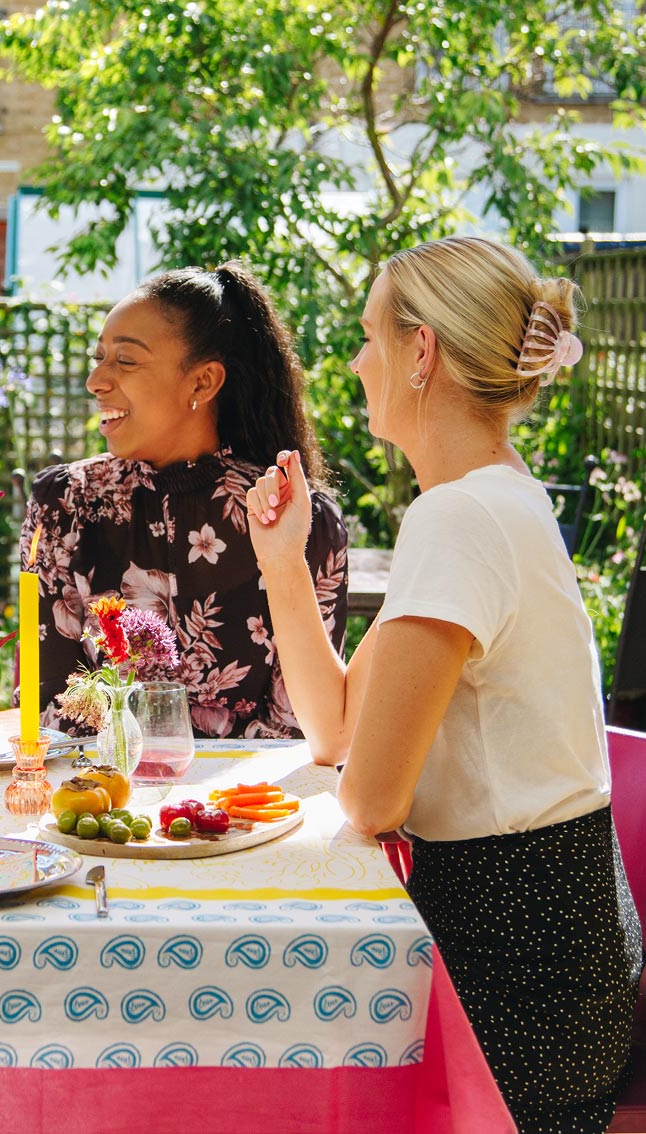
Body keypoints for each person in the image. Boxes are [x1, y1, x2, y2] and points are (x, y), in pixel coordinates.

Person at [246, 236, 641, 1132]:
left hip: (518, 965)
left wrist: (367, 777)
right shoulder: (493, 497)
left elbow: (374, 794)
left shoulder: (459, 517)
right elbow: (338, 734)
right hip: (552, 942)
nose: (354, 363)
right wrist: (282, 562)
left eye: (368, 338)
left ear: (420, 353)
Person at [21, 261, 348, 738]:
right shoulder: (63, 505)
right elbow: (49, 713)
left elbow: (302, 733)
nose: (96, 381)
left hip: (252, 809)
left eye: (125, 360)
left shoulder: (299, 520)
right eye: (99, 357)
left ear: (202, 382)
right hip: (102, 803)